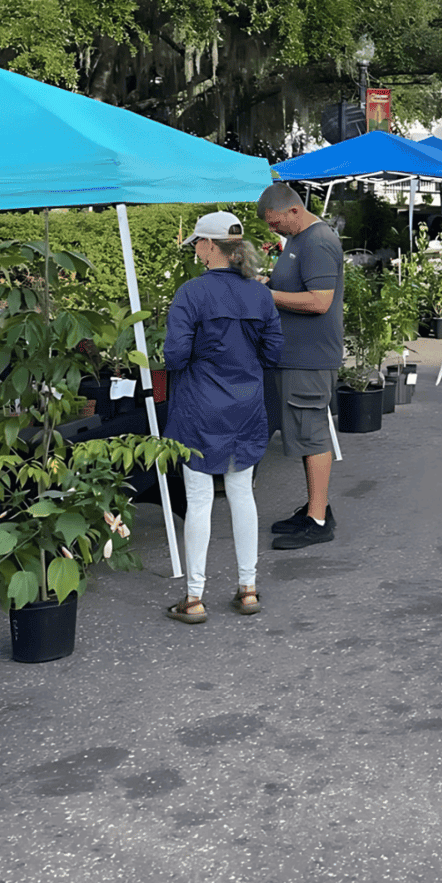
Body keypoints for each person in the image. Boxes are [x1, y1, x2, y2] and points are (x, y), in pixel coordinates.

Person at [161, 211, 283, 622]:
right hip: (246, 405)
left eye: (197, 241)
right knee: (242, 493)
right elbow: (273, 353)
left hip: (198, 407)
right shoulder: (261, 294)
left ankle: (194, 597)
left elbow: (174, 355)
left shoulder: (191, 294)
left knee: (199, 500)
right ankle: (248, 589)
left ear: (211, 246)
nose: (195, 248)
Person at [255, 182, 344, 550]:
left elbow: (320, 301)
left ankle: (319, 521)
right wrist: (270, 282)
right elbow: (296, 287)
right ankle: (314, 508)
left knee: (312, 434)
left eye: (276, 223)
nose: (273, 229)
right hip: (294, 357)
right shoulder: (297, 240)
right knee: (303, 434)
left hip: (309, 359)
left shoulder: (318, 240)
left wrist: (268, 294)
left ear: (294, 210)